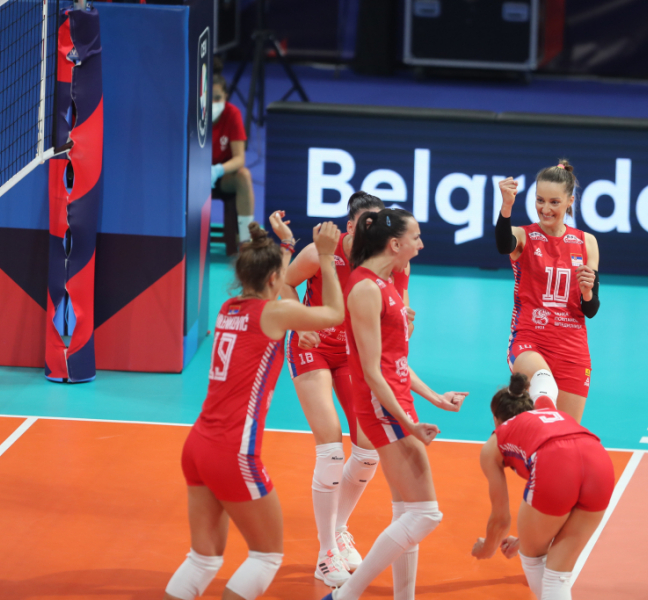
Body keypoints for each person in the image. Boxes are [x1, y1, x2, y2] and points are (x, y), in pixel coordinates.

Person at [164, 212, 344, 600]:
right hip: (233, 451)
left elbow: (271, 291)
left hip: (197, 446)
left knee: (202, 560)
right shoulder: (275, 314)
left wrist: (286, 244)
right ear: (274, 278)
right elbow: (334, 314)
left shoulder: (228, 308)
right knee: (266, 556)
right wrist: (326, 257)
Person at [323, 208, 467, 600]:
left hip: (395, 402)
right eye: (415, 237)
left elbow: (396, 361)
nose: (421, 244)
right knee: (426, 513)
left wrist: (436, 399)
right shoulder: (365, 289)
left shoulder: (385, 283)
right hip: (382, 408)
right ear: (395, 243)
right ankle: (345, 594)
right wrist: (408, 422)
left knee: (407, 511)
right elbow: (371, 372)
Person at [280, 192, 390, 587]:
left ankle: (339, 528)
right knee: (330, 447)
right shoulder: (319, 253)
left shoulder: (384, 262)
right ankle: (326, 553)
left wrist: (406, 319)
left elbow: (396, 310)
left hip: (352, 356)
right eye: (364, 225)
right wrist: (300, 323)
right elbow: (284, 284)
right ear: (350, 226)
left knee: (368, 450)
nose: (371, 231)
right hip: (312, 347)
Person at [471, 373, 614, 600]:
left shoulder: (495, 442)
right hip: (599, 461)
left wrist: (487, 548)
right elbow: (543, 375)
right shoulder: (548, 409)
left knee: (537, 563)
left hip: (555, 461)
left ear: (496, 419)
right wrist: (526, 539)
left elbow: (501, 519)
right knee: (558, 575)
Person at [495, 160, 600, 424]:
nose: (545, 208)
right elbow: (503, 243)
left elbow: (590, 310)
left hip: (572, 348)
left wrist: (588, 291)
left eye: (554, 202)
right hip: (530, 339)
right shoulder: (524, 236)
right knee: (543, 384)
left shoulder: (587, 242)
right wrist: (506, 206)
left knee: (565, 433)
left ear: (570, 202)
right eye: (540, 200)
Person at [211, 72, 253, 245]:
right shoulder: (192, 113)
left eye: (218, 98)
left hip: (222, 178)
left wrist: (217, 170)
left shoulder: (232, 114)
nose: (213, 103)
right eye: (209, 98)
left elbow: (239, 158)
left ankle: (245, 241)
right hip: (193, 178)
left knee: (243, 175)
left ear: (226, 96)